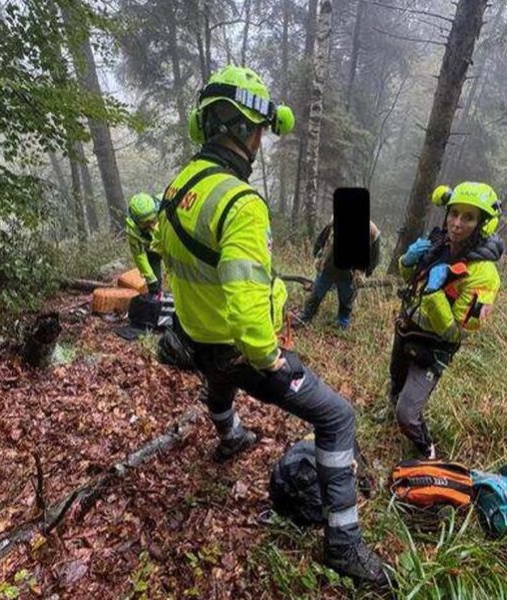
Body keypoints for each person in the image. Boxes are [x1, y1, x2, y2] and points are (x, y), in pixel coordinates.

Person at [154, 65, 392, 589]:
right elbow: (243, 310)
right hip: (237, 346)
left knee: (217, 381)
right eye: (261, 129)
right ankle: (345, 545)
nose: (263, 139)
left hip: (195, 336)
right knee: (337, 417)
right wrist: (269, 358)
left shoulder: (179, 185)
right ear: (243, 129)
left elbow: (169, 256)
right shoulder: (241, 203)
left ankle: (230, 436)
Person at [383, 182, 503, 458]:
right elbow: (412, 284)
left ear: (483, 224)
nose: (457, 223)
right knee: (396, 380)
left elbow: (457, 332)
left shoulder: (484, 275)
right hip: (407, 328)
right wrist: (407, 262)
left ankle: (427, 448)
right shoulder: (440, 244)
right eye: (454, 213)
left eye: (468, 217)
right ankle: (389, 412)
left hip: (433, 348)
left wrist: (436, 294)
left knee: (408, 413)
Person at [294, 218, 381, 328]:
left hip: (351, 272)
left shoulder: (372, 231)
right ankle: (305, 318)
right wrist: (317, 256)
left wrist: (366, 272)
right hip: (329, 266)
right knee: (316, 293)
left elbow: (374, 258)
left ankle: (342, 322)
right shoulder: (334, 221)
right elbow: (321, 240)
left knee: (346, 299)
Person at [125, 193, 162, 295]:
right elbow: (139, 256)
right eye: (146, 223)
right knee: (155, 283)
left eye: (153, 220)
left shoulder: (165, 207)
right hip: (151, 249)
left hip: (169, 242)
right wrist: (151, 280)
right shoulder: (133, 231)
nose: (151, 225)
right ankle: (157, 297)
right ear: (136, 221)